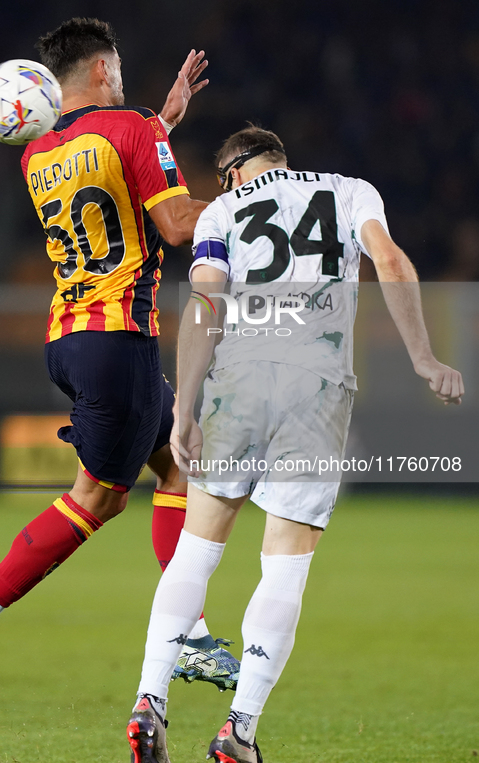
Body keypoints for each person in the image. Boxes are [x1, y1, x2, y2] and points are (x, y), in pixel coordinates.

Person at [127, 125, 464, 763]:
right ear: (281, 160)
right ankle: (239, 733)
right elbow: (389, 262)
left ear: (230, 175)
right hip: (317, 384)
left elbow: (206, 303)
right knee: (284, 565)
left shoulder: (221, 212)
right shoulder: (349, 191)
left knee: (196, 554)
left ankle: (150, 699)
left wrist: (184, 407)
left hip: (239, 379)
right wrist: (422, 358)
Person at [0, 17, 239, 692]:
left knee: (181, 464)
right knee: (97, 500)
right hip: (116, 342)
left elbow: (106, 167)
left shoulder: (37, 152)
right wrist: (253, 197)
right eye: (120, 69)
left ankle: (185, 627)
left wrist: (160, 121)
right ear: (103, 70)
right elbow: (175, 224)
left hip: (71, 337)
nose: (123, 80)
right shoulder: (132, 128)